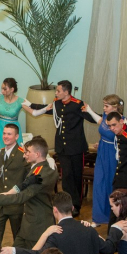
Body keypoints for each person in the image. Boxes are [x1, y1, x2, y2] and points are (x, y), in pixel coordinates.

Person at [1, 191, 123, 254]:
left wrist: (14, 251)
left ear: (55, 210)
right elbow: (108, 250)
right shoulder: (89, 230)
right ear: (72, 208)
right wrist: (116, 228)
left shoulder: (56, 234)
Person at [30, 80, 98, 217]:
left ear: (66, 92)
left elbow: (92, 118)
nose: (56, 93)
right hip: (62, 147)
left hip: (76, 147)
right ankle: (67, 206)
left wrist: (104, 115)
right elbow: (44, 108)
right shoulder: (57, 103)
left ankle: (76, 205)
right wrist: (28, 104)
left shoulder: (78, 104)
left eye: (58, 91)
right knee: (66, 177)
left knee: (76, 176)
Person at [83, 94, 126, 224]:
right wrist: (89, 110)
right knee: (99, 184)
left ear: (115, 107)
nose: (104, 108)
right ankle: (98, 217)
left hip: (113, 155)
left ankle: (112, 216)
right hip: (102, 152)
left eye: (106, 106)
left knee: (110, 183)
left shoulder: (122, 121)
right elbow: (101, 123)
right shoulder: (106, 117)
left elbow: (123, 140)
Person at [0, 123, 29, 244]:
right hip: (0, 203)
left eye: (9, 134)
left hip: (16, 204)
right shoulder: (1, 152)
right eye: (4, 133)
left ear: (16, 136)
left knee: (18, 238)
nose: (5, 136)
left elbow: (28, 178)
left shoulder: (23, 154)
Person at [104, 112, 127, 192]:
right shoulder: (120, 133)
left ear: (121, 121)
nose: (112, 128)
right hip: (122, 176)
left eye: (114, 125)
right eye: (109, 126)